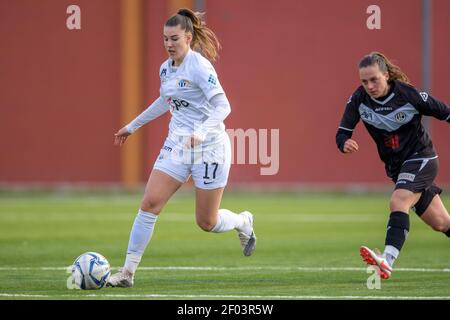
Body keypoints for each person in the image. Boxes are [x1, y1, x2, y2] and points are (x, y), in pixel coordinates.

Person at [107, 8, 256, 288]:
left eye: (174, 38)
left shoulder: (199, 66)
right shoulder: (165, 68)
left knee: (207, 222)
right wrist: (132, 126)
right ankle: (127, 273)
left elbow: (224, 105)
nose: (168, 44)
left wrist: (200, 132)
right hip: (177, 145)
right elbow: (166, 101)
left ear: (188, 38)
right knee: (149, 205)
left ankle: (243, 222)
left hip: (210, 147)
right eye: (165, 39)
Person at [336, 52, 450, 279]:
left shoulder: (409, 95)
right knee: (441, 223)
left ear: (386, 75)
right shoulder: (359, 99)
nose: (369, 85)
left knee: (398, 201)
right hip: (398, 169)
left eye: (374, 79)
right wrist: (344, 143)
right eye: (364, 81)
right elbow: (342, 132)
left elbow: (445, 112)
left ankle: (386, 260)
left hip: (422, 158)